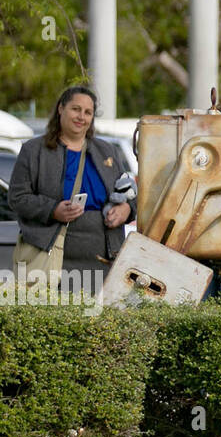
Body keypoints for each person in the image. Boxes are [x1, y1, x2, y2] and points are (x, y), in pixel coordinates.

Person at [9, 85, 134, 298]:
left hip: (102, 262)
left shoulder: (107, 151)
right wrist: (52, 210)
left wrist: (126, 210)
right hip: (51, 261)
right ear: (61, 109)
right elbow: (17, 198)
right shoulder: (34, 150)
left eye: (88, 112)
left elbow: (129, 194)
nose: (81, 117)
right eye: (76, 109)